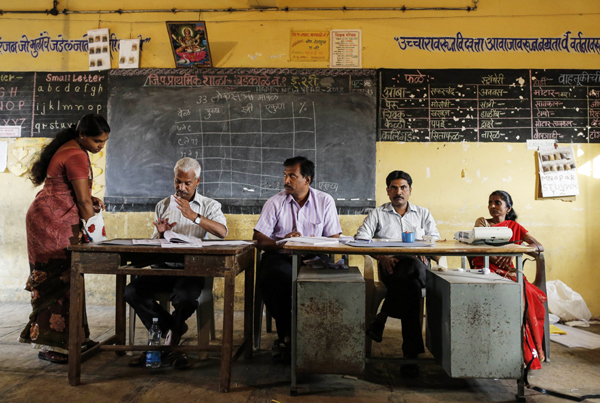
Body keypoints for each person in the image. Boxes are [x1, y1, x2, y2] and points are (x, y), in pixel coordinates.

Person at [20, 114, 110, 364]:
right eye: (96, 141)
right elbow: (80, 200)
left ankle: (76, 338)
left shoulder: (73, 147)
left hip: (53, 218)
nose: (100, 146)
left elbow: (71, 192)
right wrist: (95, 229)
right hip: (52, 224)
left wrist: (90, 202)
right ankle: (53, 346)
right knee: (56, 280)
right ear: (82, 135)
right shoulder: (77, 154)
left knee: (71, 277)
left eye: (104, 142)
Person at [124, 157, 227, 369]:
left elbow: (222, 232)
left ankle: (167, 344)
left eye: (187, 183)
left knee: (185, 298)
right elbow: (155, 244)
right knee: (131, 292)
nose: (181, 187)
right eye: (177, 181)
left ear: (198, 181)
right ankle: (174, 330)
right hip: (163, 268)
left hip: (191, 270)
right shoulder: (163, 205)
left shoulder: (210, 205)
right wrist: (160, 234)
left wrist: (194, 216)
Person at [253, 156, 342, 362]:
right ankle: (288, 337)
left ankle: (321, 337)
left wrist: (313, 244)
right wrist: (281, 242)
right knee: (277, 279)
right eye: (285, 175)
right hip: (281, 256)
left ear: (307, 180)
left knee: (335, 283)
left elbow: (334, 238)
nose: (286, 180)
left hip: (314, 256)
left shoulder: (324, 201)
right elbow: (258, 239)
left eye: (292, 176)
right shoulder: (275, 202)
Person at [356, 170, 440, 369]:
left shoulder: (423, 214)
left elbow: (435, 240)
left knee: (412, 265)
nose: (398, 192)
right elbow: (360, 239)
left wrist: (425, 252)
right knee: (410, 288)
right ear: (387, 191)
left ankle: (382, 317)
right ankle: (410, 357)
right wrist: (381, 257)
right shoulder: (378, 213)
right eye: (394, 187)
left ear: (410, 190)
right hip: (391, 268)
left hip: (419, 268)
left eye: (403, 187)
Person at [470, 190, 546, 370]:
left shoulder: (514, 227)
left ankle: (534, 348)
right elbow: (475, 248)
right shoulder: (482, 224)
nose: (492, 206)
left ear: (508, 208)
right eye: (490, 202)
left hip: (508, 272)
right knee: (516, 293)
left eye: (497, 203)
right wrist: (496, 256)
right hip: (486, 270)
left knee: (526, 293)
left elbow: (538, 246)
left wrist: (512, 251)